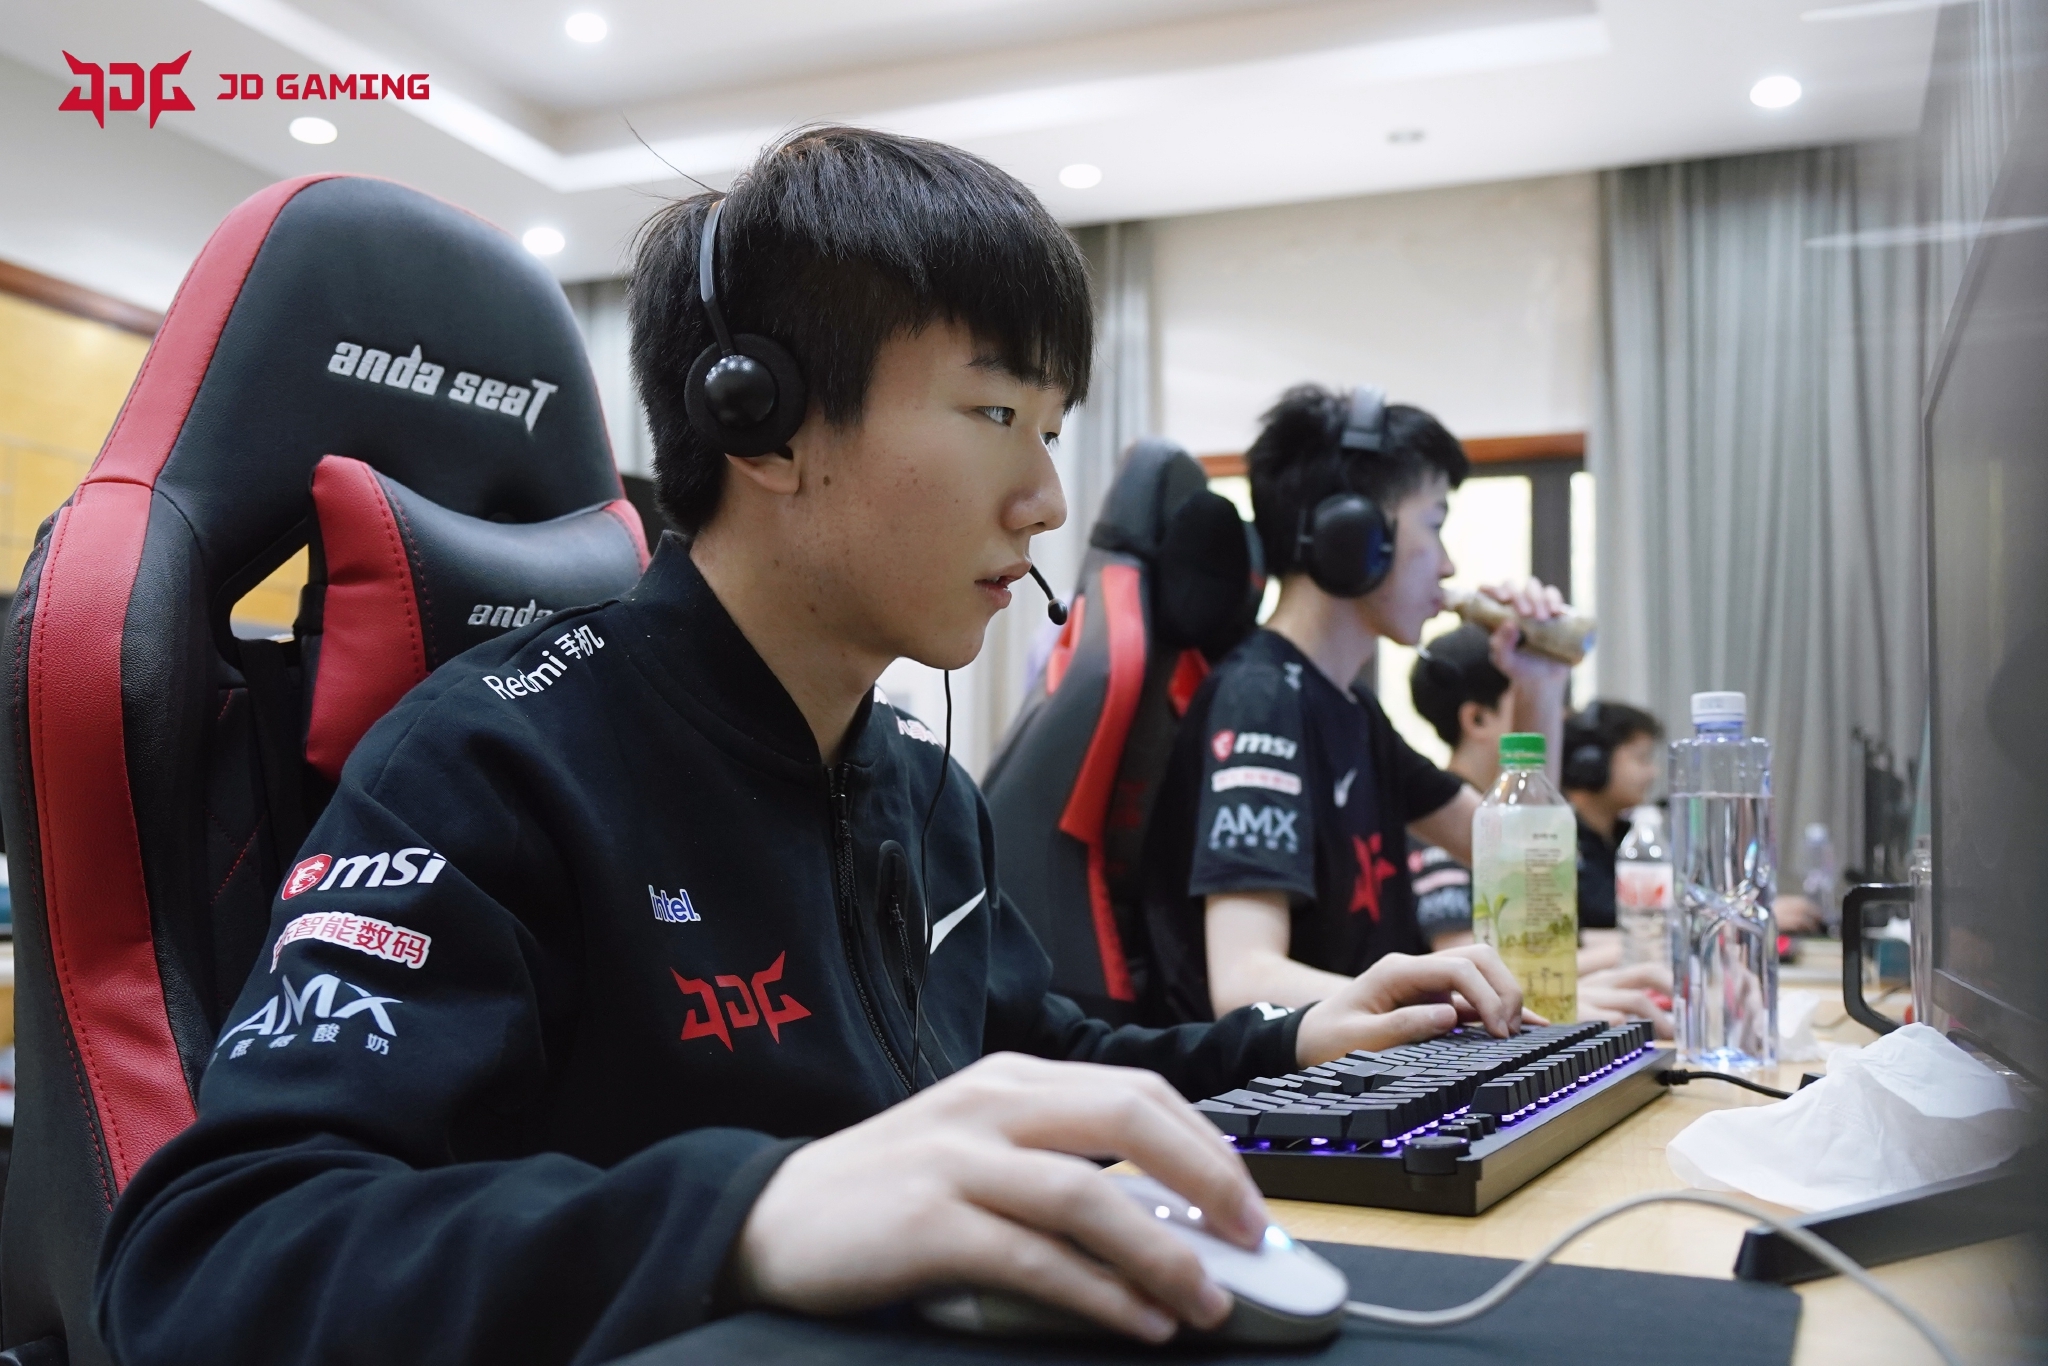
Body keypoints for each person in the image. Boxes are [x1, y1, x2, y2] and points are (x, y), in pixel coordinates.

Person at [95, 128, 1531, 1365]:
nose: (1043, 498)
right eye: (996, 413)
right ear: (761, 422)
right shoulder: (491, 761)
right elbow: (212, 1256)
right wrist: (754, 1211)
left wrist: (1294, 1041)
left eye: (1049, 429)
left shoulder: (916, 786)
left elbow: (1037, 1048)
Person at [1137, 383, 1571, 1026]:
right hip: (1281, 1081)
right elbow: (1246, 980)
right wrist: (1441, 1001)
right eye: (1435, 525)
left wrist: (1538, 686)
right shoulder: (1260, 702)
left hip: (1367, 1067)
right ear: (1354, 535)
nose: (1448, 565)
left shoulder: (1353, 710)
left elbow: (1519, 860)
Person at [1404, 623, 1515, 947]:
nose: (1559, 715)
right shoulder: (1436, 814)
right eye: (1528, 698)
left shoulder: (1503, 805)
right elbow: (1459, 951)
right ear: (1477, 719)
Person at [1560, 701, 1665, 932]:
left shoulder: (1629, 837)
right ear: (1592, 762)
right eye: (1642, 758)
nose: (1653, 772)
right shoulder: (1558, 842)